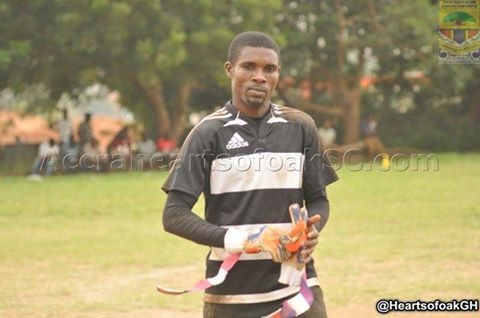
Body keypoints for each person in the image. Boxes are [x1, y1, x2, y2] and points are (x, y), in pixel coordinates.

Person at [162, 31, 338, 318]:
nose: (260, 76)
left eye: (269, 69)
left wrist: (309, 233)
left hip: (296, 290)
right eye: (249, 67)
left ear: (278, 73)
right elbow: (174, 215)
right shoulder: (208, 133)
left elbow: (319, 200)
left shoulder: (301, 126)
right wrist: (243, 240)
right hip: (232, 299)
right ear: (230, 70)